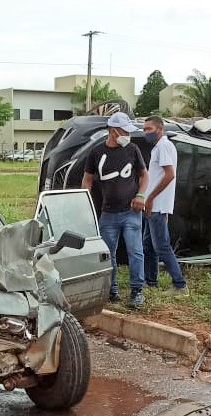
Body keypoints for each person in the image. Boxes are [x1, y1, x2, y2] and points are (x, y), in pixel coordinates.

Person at [82, 112, 149, 307]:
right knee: (107, 254)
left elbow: (144, 176)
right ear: (113, 132)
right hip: (108, 213)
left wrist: (140, 196)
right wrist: (84, 200)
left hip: (131, 212)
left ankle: (137, 291)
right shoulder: (96, 153)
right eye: (125, 131)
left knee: (135, 251)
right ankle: (111, 290)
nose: (128, 135)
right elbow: (87, 180)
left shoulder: (132, 150)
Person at [142, 115, 188, 296]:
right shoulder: (160, 147)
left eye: (149, 129)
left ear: (159, 129)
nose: (146, 133)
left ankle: (180, 284)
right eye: (144, 129)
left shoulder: (163, 147)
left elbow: (170, 175)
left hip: (156, 206)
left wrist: (151, 198)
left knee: (161, 246)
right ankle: (150, 281)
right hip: (155, 206)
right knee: (149, 245)